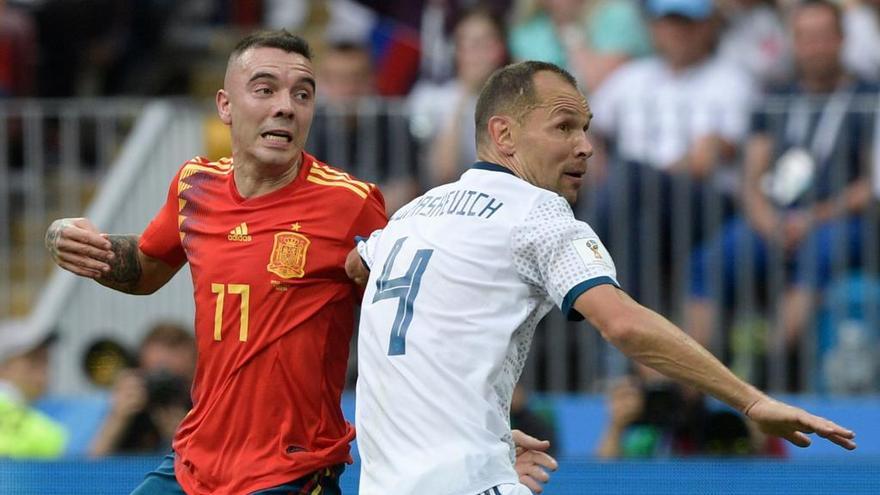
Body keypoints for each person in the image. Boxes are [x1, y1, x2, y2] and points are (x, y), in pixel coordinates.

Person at [44, 30, 555, 494]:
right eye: (264, 89)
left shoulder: (350, 204)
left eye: (302, 94)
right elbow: (147, 267)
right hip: (193, 464)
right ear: (225, 105)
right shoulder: (193, 184)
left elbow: (412, 328)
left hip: (291, 473)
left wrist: (477, 434)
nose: (286, 107)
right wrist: (76, 244)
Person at [346, 60, 857, 495]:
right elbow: (624, 325)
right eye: (564, 127)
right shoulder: (538, 214)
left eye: (586, 128)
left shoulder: (412, 214)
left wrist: (487, 432)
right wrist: (752, 400)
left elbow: (355, 273)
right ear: (503, 134)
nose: (585, 145)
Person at [685, 0, 877, 390]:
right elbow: (751, 174)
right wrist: (767, 219)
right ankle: (689, 379)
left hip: (838, 220)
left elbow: (870, 184)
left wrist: (814, 217)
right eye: (806, 37)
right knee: (709, 262)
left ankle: (755, 372)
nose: (815, 47)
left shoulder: (868, 98)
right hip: (772, 218)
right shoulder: (775, 96)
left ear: (841, 40)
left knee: (821, 256)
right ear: (794, 41)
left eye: (824, 37)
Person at [89, 321, 196, 456]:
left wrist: (187, 436)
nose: (164, 389)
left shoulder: (206, 410)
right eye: (156, 377)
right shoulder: (133, 416)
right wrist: (118, 418)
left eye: (175, 381)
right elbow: (92, 467)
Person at [0, 318, 67, 458]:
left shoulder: (50, 431)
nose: (43, 370)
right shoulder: (48, 434)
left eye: (45, 360)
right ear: (4, 367)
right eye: (33, 360)